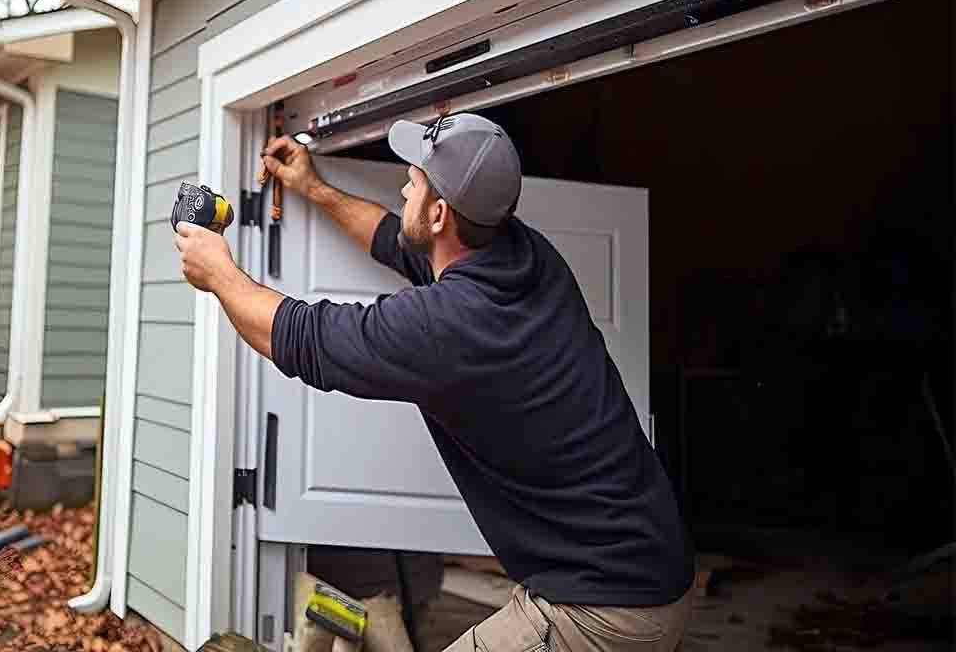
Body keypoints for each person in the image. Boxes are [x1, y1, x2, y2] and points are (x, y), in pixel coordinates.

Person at [174, 113, 695, 651]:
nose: (403, 185)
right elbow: (392, 239)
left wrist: (218, 272)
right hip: (644, 562)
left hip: (604, 606)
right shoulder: (523, 253)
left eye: (414, 182)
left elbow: (297, 336)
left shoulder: (450, 326)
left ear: (441, 213)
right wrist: (313, 187)